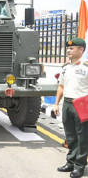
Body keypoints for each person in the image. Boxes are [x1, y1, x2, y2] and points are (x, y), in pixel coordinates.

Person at [54, 37, 88, 178]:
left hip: (81, 104)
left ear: (81, 50)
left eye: (71, 48)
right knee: (70, 136)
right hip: (67, 104)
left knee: (82, 137)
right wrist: (56, 103)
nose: (68, 50)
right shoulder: (65, 68)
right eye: (68, 48)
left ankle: (79, 166)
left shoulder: (86, 67)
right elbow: (61, 87)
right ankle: (70, 162)